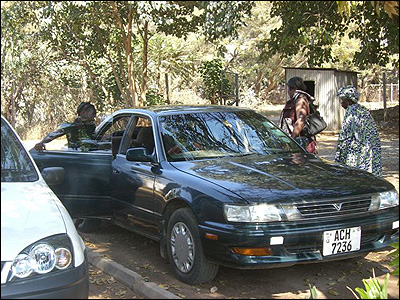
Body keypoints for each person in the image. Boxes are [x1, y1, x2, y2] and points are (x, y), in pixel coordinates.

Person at [335, 85, 382, 177]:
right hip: (369, 149)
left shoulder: (351, 112)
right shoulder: (362, 110)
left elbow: (345, 137)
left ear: (348, 100)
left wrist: (340, 157)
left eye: (342, 100)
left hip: (358, 151)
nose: (341, 103)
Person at [279, 76, 317, 153]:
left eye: (289, 89)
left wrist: (291, 140)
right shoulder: (295, 99)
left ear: (293, 88)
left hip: (300, 143)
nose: (288, 92)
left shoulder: (300, 100)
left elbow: (301, 120)